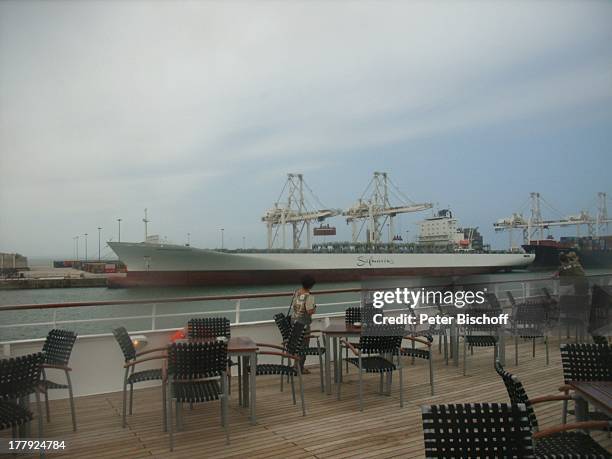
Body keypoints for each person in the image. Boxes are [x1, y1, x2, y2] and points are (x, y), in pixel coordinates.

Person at [290, 275, 317, 373]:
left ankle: (296, 366)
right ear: (311, 286)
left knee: (297, 345)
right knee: (304, 346)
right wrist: (315, 308)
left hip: (294, 321)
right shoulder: (309, 296)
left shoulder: (296, 293)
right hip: (303, 324)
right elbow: (309, 311)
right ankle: (299, 368)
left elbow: (294, 306)